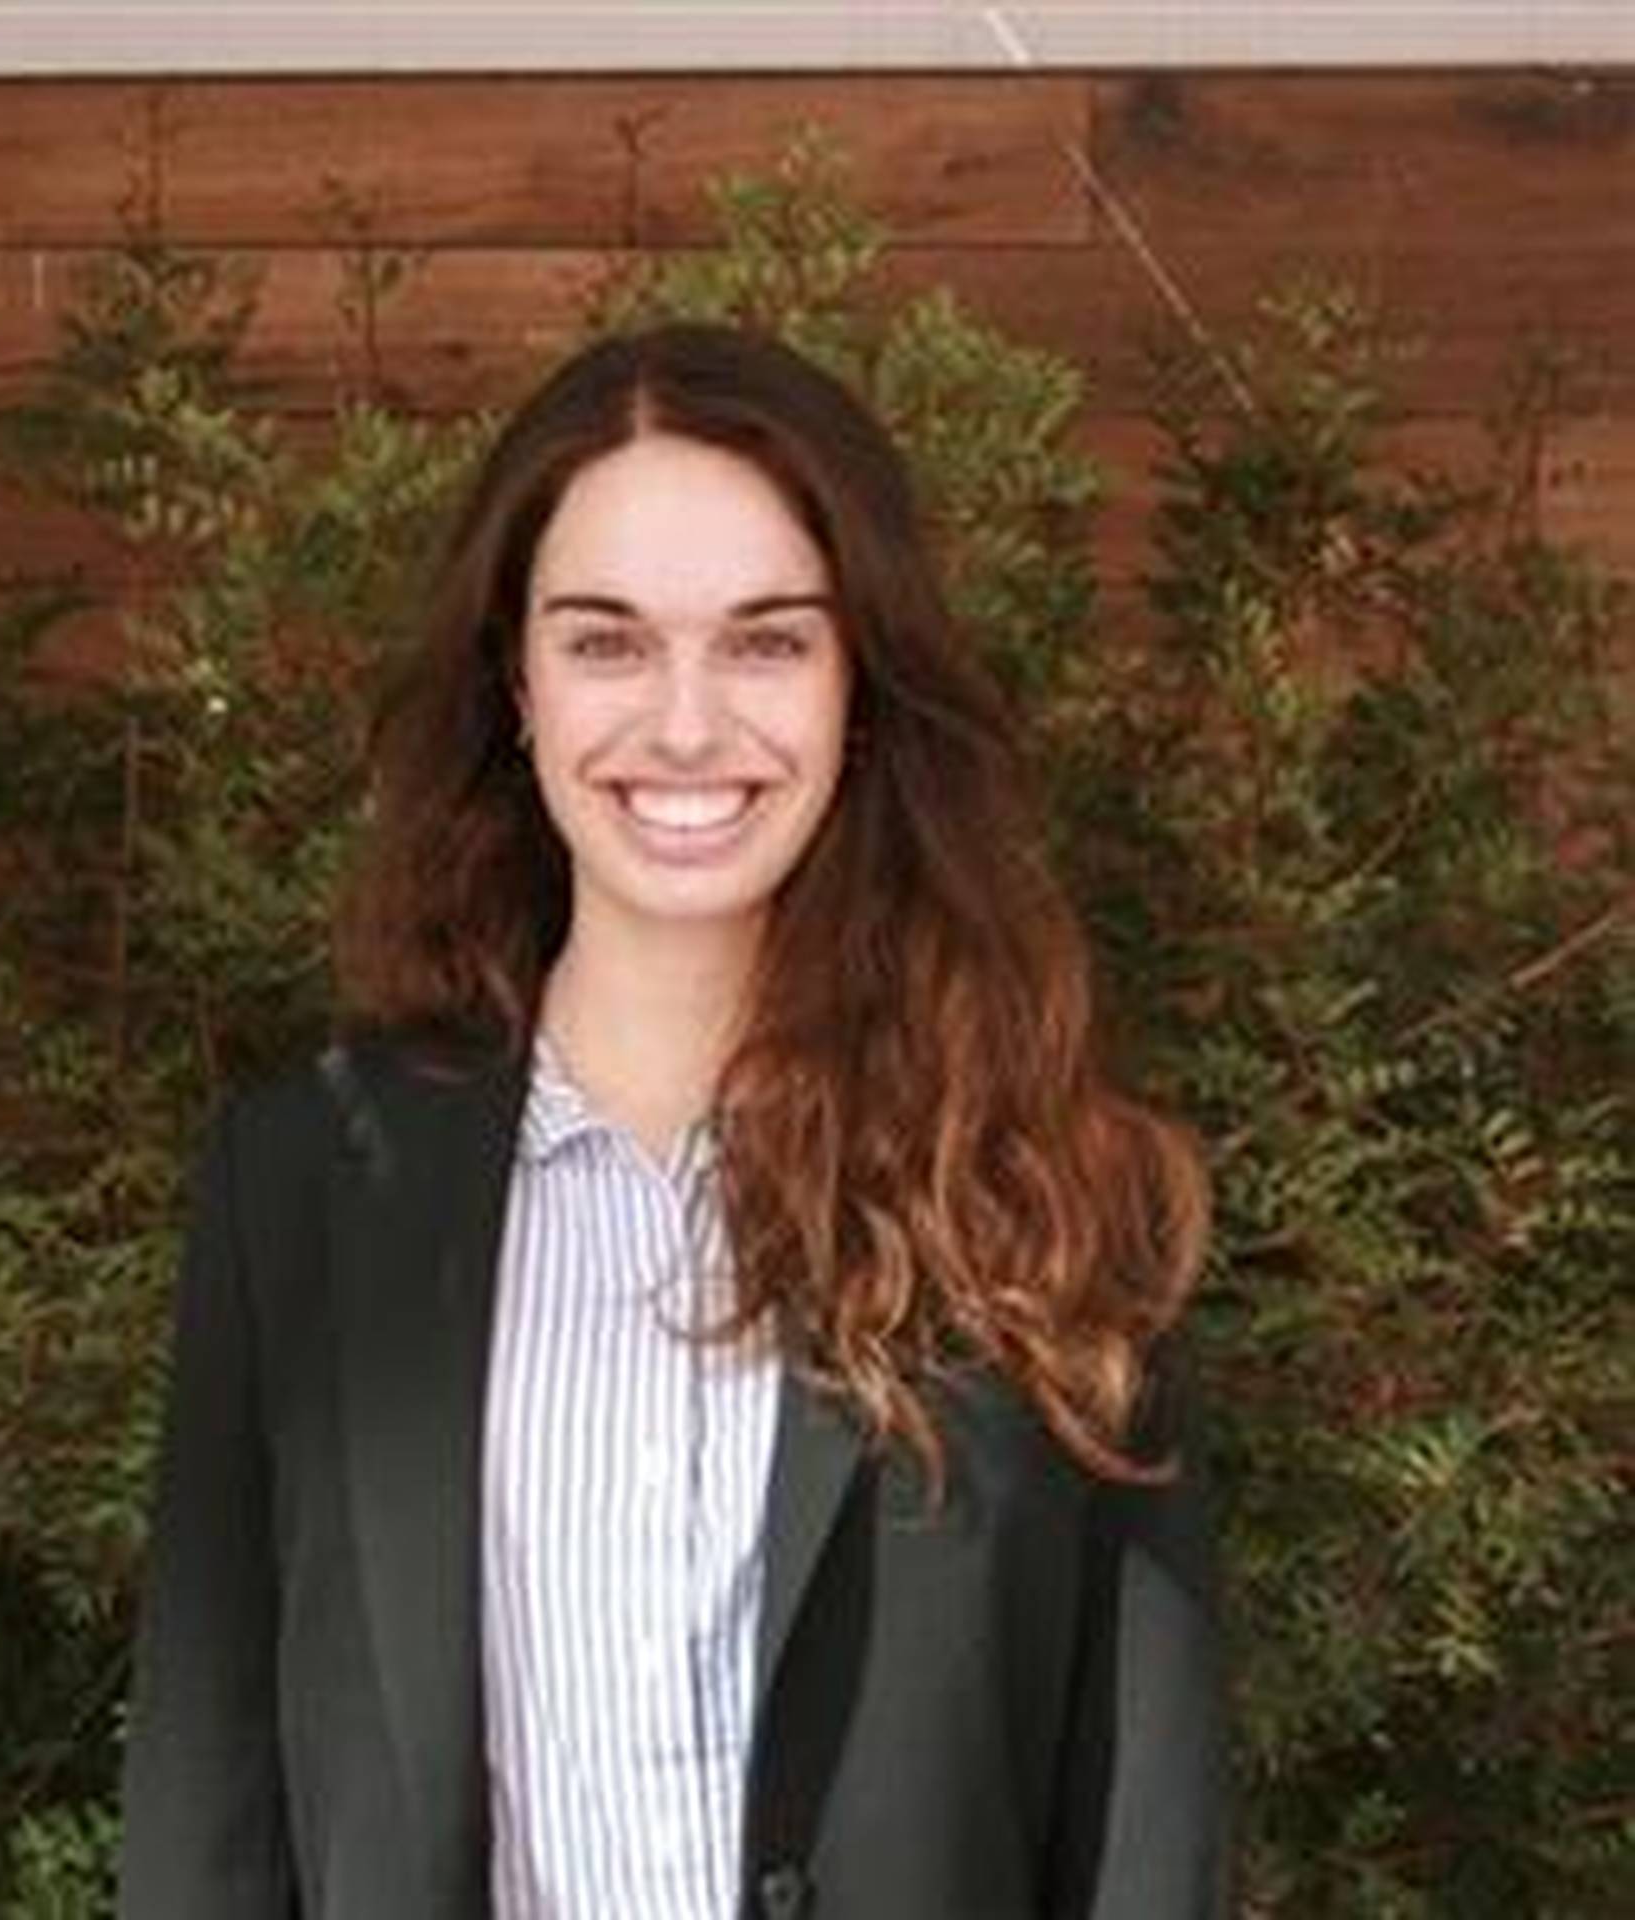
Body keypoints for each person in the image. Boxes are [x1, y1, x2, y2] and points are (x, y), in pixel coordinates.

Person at [116, 321, 1230, 1920]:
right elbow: (207, 1813)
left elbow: (1147, 1837)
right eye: (609, 642)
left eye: (767, 642)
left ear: (861, 683)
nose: (688, 725)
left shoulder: (1046, 1193)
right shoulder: (303, 1191)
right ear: (516, 681)